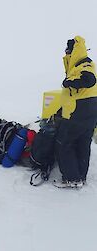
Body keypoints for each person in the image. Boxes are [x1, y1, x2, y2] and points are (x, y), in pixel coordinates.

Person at [54, 36, 97, 188]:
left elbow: (89, 80)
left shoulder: (84, 66)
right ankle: (80, 177)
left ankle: (71, 178)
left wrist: (69, 82)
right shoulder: (83, 65)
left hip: (77, 113)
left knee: (64, 143)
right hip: (88, 114)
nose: (66, 53)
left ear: (75, 50)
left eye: (68, 51)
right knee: (82, 145)